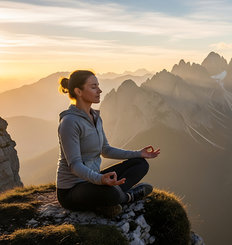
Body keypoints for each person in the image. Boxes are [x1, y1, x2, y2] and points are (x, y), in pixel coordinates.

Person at [56, 70, 160, 218]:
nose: (100, 90)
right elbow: (74, 166)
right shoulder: (69, 123)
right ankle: (127, 197)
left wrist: (138, 153)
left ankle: (109, 201)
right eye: (93, 87)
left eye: (98, 86)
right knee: (109, 192)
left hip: (94, 180)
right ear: (78, 91)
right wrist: (100, 180)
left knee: (140, 164)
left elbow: (105, 150)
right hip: (72, 190)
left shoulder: (95, 117)